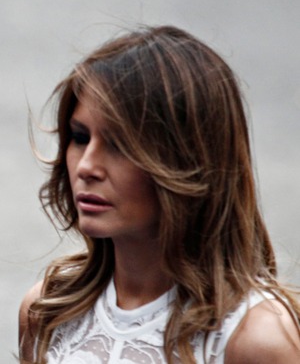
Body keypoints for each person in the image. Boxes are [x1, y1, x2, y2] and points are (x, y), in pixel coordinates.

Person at [18, 25, 300, 363]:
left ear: (189, 160)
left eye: (120, 145)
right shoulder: (48, 311)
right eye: (80, 137)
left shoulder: (256, 338)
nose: (87, 167)